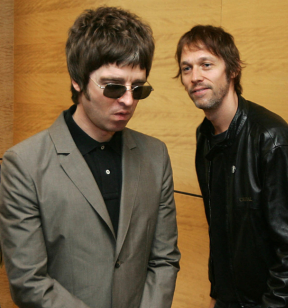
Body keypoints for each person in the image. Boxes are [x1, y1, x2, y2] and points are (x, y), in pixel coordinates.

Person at [0, 7, 180, 308]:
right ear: (77, 79)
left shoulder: (155, 155)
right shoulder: (24, 164)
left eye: (138, 88)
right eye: (112, 86)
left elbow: (164, 260)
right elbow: (28, 282)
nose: (128, 100)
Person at [175, 25, 288, 308]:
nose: (195, 77)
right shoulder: (204, 136)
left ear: (232, 70)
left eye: (206, 65)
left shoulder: (272, 140)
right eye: (186, 68)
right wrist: (217, 294)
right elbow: (222, 231)